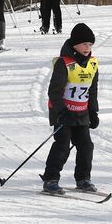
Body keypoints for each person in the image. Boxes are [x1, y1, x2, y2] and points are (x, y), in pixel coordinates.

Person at [41, 23, 100, 194]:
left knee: (86, 146)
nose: (87, 48)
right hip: (63, 113)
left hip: (81, 112)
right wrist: (61, 112)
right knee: (62, 145)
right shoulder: (64, 63)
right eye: (84, 44)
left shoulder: (93, 64)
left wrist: (93, 111)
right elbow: (54, 91)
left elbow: (92, 90)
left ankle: (83, 179)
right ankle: (50, 179)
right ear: (74, 44)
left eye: (90, 45)